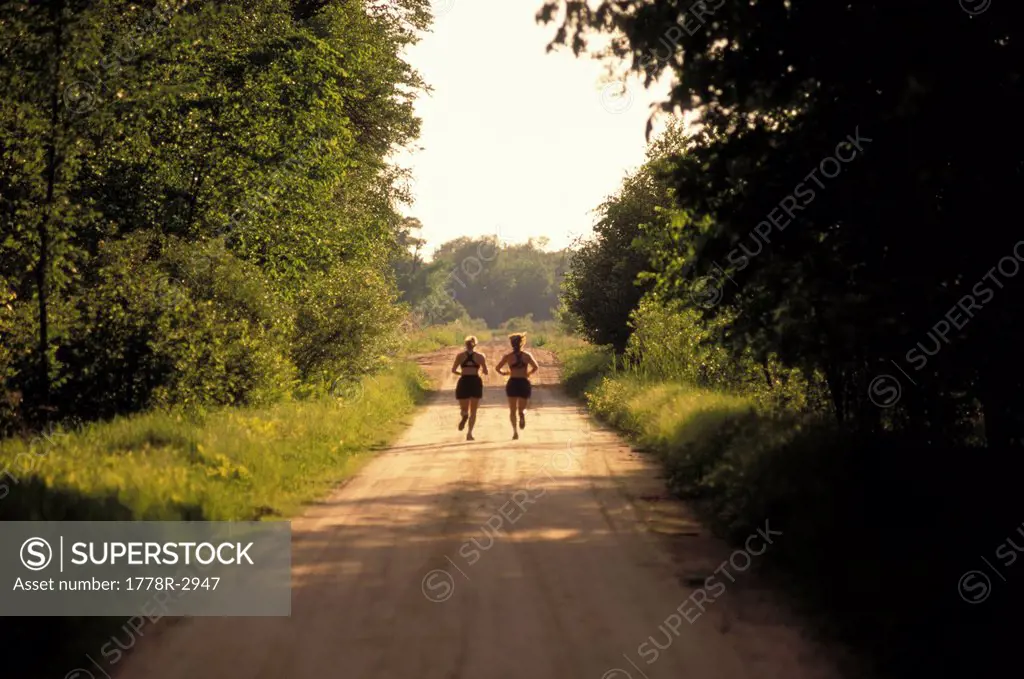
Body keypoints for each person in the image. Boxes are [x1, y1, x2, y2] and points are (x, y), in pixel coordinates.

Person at [495, 332, 538, 440]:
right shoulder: (527, 355)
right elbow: (535, 367)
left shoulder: (508, 357)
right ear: (522, 343)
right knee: (522, 408)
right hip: (523, 381)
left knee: (512, 410)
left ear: (511, 344)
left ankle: (515, 432)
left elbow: (497, 368)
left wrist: (505, 373)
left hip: (513, 382)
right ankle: (522, 414)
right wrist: (529, 373)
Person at [451, 335, 488, 441]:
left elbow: (453, 370)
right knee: (474, 410)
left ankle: (464, 415)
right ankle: (469, 433)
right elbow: (486, 371)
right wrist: (479, 371)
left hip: (464, 381)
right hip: (475, 381)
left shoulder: (460, 356)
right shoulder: (480, 356)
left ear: (465, 345)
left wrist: (462, 373)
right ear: (475, 344)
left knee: (464, 407)